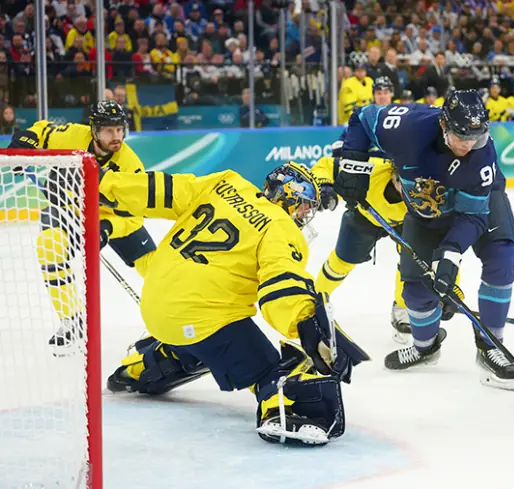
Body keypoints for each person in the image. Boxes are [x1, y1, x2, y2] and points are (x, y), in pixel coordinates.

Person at [100, 162, 369, 445]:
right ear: (288, 196)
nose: (305, 214)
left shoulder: (225, 183)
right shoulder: (280, 228)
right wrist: (307, 323)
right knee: (277, 368)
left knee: (201, 339)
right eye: (303, 205)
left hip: (156, 306)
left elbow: (161, 190)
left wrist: (106, 184)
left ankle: (140, 369)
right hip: (202, 319)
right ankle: (281, 408)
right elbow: (281, 284)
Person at [332, 90, 514, 390]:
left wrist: (450, 254)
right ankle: (426, 346)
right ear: (444, 125)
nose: (469, 145)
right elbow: (362, 118)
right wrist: (353, 165)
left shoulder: (481, 157)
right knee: (416, 293)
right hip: (426, 210)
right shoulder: (406, 127)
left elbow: (472, 217)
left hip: (480, 203)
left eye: (476, 138)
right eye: (462, 137)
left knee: (501, 257)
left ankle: (491, 346)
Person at [7, 100, 158, 353]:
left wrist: (108, 228)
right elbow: (44, 130)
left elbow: (134, 215)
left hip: (112, 218)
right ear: (94, 130)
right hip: (68, 211)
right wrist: (28, 142)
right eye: (109, 130)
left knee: (157, 267)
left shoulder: (130, 165)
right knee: (49, 246)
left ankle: (169, 321)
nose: (116, 136)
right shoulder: (74, 136)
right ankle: (72, 320)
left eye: (119, 129)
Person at [312, 75, 413, 343]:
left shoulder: (421, 191)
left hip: (403, 218)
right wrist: (327, 185)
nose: (382, 96)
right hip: (365, 208)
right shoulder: (366, 127)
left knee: (411, 262)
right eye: (378, 92)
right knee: (341, 261)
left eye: (386, 92)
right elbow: (331, 161)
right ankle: (313, 304)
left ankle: (402, 309)